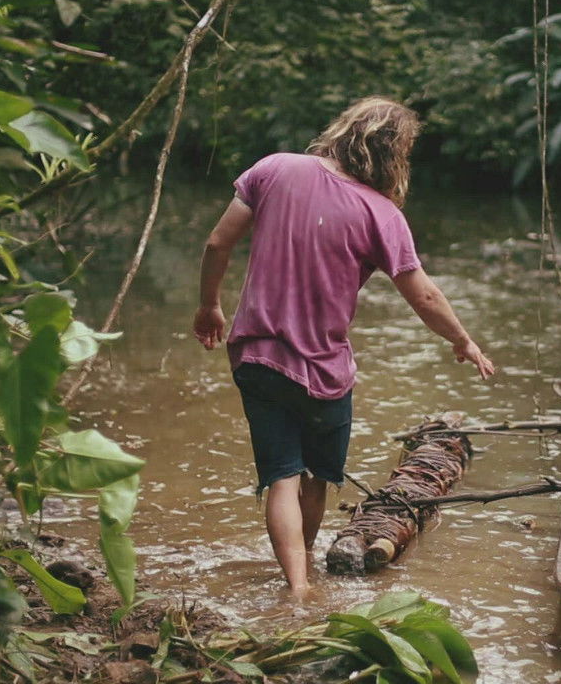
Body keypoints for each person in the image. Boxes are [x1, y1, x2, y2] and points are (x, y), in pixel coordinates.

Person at [192, 96, 495, 598]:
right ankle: (304, 574)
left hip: (256, 355)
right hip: (324, 371)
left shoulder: (274, 169)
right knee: (314, 478)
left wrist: (209, 306)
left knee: (281, 478)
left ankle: (295, 587)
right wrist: (462, 340)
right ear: (396, 154)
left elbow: (217, 243)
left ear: (345, 130)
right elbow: (423, 294)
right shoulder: (382, 215)